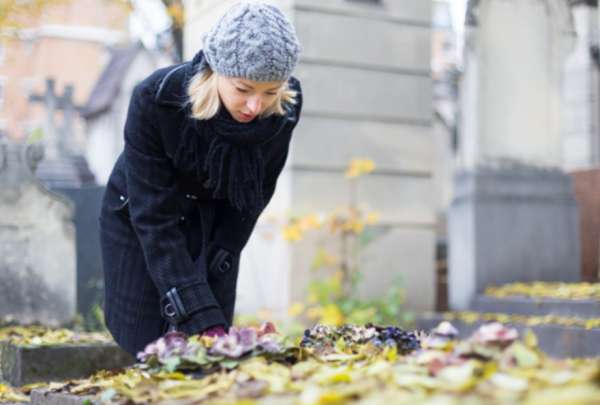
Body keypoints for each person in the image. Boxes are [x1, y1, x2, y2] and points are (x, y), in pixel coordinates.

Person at [98, 1, 302, 357]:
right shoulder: (155, 98)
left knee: (211, 343)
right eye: (243, 89)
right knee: (146, 340)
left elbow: (253, 198)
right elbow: (154, 220)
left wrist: (208, 308)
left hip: (217, 216)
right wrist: (195, 310)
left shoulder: (283, 109)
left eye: (269, 92)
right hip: (142, 212)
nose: (255, 106)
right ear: (216, 70)